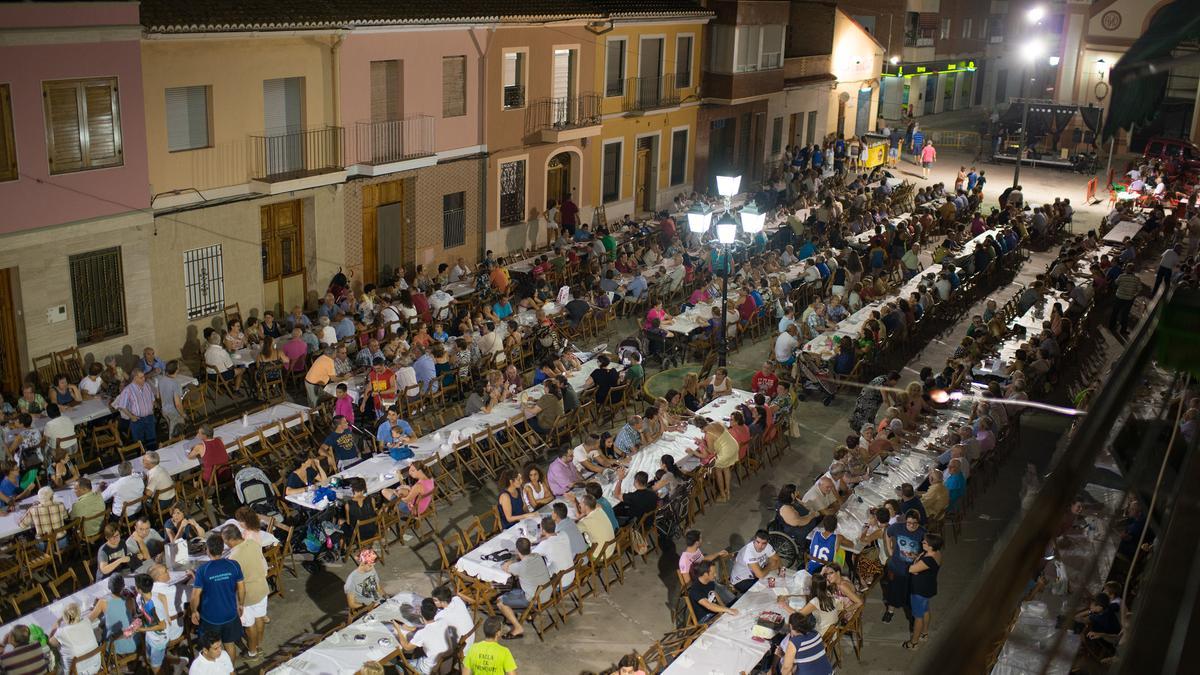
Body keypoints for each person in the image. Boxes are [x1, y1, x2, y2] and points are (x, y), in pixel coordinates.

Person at [191, 533, 245, 664]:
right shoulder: (234, 565)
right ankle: (230, 669)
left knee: (211, 647)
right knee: (229, 643)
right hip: (230, 614)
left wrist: (194, 611)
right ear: (222, 549)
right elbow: (242, 588)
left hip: (211, 618)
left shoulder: (203, 570)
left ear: (207, 550)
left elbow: (195, 595)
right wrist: (241, 605)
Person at [223, 524, 268, 661]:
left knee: (249, 625)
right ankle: (258, 644)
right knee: (260, 617)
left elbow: (232, 583)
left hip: (247, 595)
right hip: (262, 587)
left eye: (225, 541)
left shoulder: (233, 558)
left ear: (230, 540)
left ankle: (252, 652)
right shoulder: (253, 543)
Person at [496, 537, 552, 639]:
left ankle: (518, 628)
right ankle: (529, 614)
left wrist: (510, 561)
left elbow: (504, 567)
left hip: (535, 599)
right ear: (530, 548)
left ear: (517, 550)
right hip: (547, 593)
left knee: (500, 602)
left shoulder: (520, 567)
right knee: (520, 583)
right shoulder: (538, 556)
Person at [882, 509, 925, 625]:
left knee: (911, 596)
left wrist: (917, 556)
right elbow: (887, 532)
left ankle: (912, 618)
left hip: (913, 570)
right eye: (909, 523)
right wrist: (890, 548)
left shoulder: (922, 533)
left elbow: (927, 550)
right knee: (893, 592)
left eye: (914, 523)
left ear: (918, 523)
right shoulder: (897, 527)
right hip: (897, 567)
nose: (911, 526)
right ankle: (890, 612)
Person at [391, 597, 452, 674]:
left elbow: (406, 647)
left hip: (427, 669)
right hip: (444, 662)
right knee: (418, 650)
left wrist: (398, 629)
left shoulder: (422, 633)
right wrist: (408, 627)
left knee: (398, 663)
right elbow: (425, 628)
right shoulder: (442, 621)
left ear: (422, 617)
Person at [906, 533, 943, 649]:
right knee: (925, 610)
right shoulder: (936, 553)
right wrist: (916, 557)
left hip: (919, 591)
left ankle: (914, 643)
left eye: (925, 542)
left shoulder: (928, 560)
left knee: (918, 617)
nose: (922, 542)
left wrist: (915, 564)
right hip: (928, 588)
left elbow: (911, 569)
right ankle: (925, 633)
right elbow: (921, 566)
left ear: (931, 546)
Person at [49, 602, 102, 675]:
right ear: (79, 614)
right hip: (95, 666)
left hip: (75, 672)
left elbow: (51, 643)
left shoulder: (61, 632)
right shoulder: (86, 621)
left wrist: (58, 622)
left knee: (55, 658)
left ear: (65, 617)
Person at [115, 369, 159, 451]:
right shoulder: (128, 390)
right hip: (138, 420)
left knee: (152, 442)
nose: (144, 379)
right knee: (139, 444)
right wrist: (131, 417)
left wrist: (152, 408)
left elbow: (152, 399)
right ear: (135, 378)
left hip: (149, 418)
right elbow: (121, 405)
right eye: (141, 377)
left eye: (143, 377)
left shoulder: (147, 386)